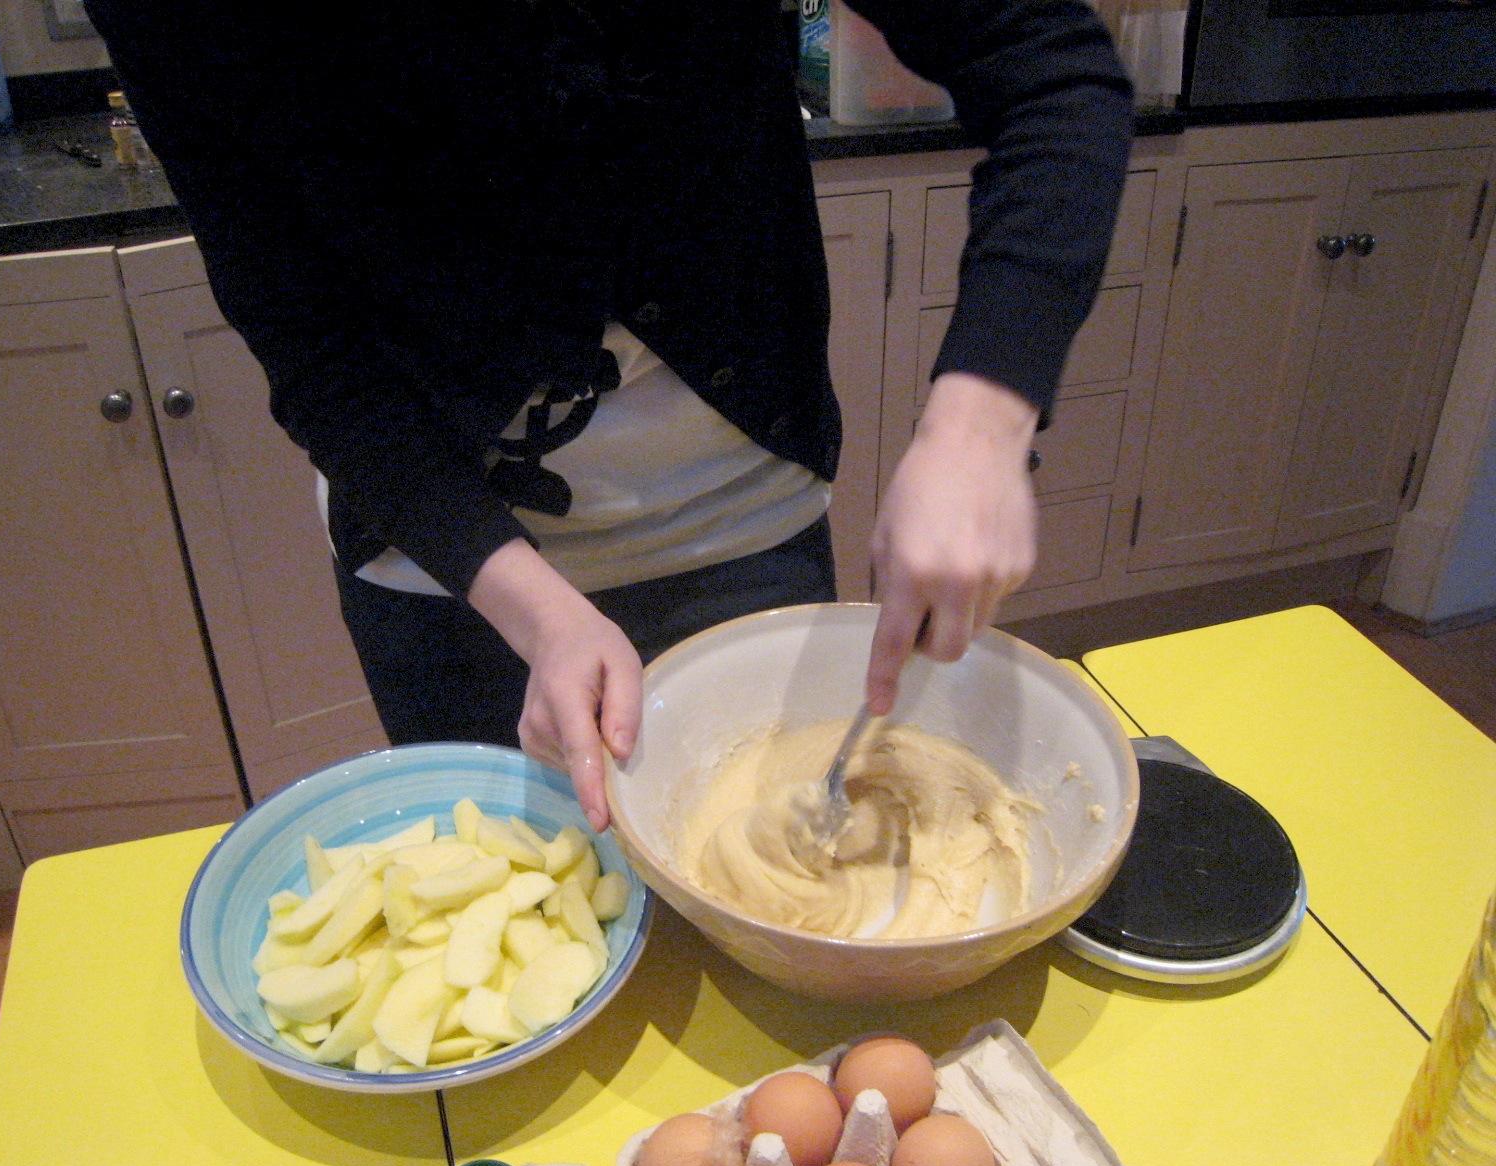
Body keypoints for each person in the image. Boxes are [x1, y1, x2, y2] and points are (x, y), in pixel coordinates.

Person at [83, 0, 1133, 831]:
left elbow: (1053, 76)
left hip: (746, 520)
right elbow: (309, 345)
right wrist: (537, 609)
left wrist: (980, 424)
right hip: (443, 565)